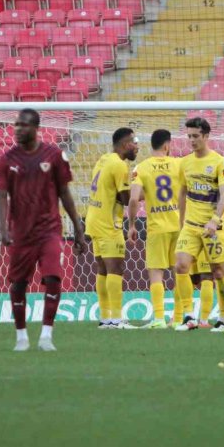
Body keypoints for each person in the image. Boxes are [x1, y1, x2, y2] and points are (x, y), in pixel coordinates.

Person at [0, 108, 87, 351]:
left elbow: (64, 192)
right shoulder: (7, 159)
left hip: (49, 230)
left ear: (36, 128)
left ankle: (46, 334)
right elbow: (2, 196)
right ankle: (21, 336)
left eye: (23, 125)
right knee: (17, 284)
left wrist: (78, 227)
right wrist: (3, 228)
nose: (18, 129)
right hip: (21, 233)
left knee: (54, 278)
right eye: (16, 125)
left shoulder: (54, 155)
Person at [174, 117, 224, 332]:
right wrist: (181, 222)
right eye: (189, 136)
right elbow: (182, 192)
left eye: (195, 136)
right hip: (191, 225)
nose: (191, 140)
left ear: (206, 136)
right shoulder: (185, 163)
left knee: (219, 272)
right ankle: (189, 317)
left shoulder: (219, 162)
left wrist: (216, 219)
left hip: (213, 228)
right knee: (180, 265)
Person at [86, 127, 138, 329]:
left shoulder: (104, 159)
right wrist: (143, 191)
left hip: (94, 219)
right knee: (116, 269)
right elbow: (126, 199)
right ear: (125, 145)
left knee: (103, 270)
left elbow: (109, 190)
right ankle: (116, 318)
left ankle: (105, 317)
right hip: (108, 223)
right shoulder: (120, 165)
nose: (137, 146)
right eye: (134, 142)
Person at [128, 129, 180, 329]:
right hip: (178, 225)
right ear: (167, 145)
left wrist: (132, 224)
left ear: (152, 145)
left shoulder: (142, 167)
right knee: (179, 273)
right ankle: (178, 318)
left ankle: (159, 318)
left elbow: (133, 198)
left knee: (156, 272)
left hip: (156, 227)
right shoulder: (179, 164)